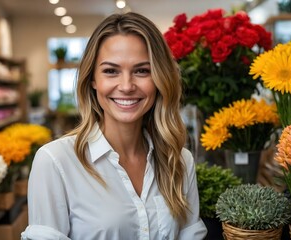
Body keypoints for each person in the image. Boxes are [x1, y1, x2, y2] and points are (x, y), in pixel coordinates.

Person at [21, 12, 207, 240]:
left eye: (142, 71)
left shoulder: (178, 160)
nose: (127, 86)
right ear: (92, 80)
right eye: (111, 71)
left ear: (159, 79)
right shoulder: (55, 162)